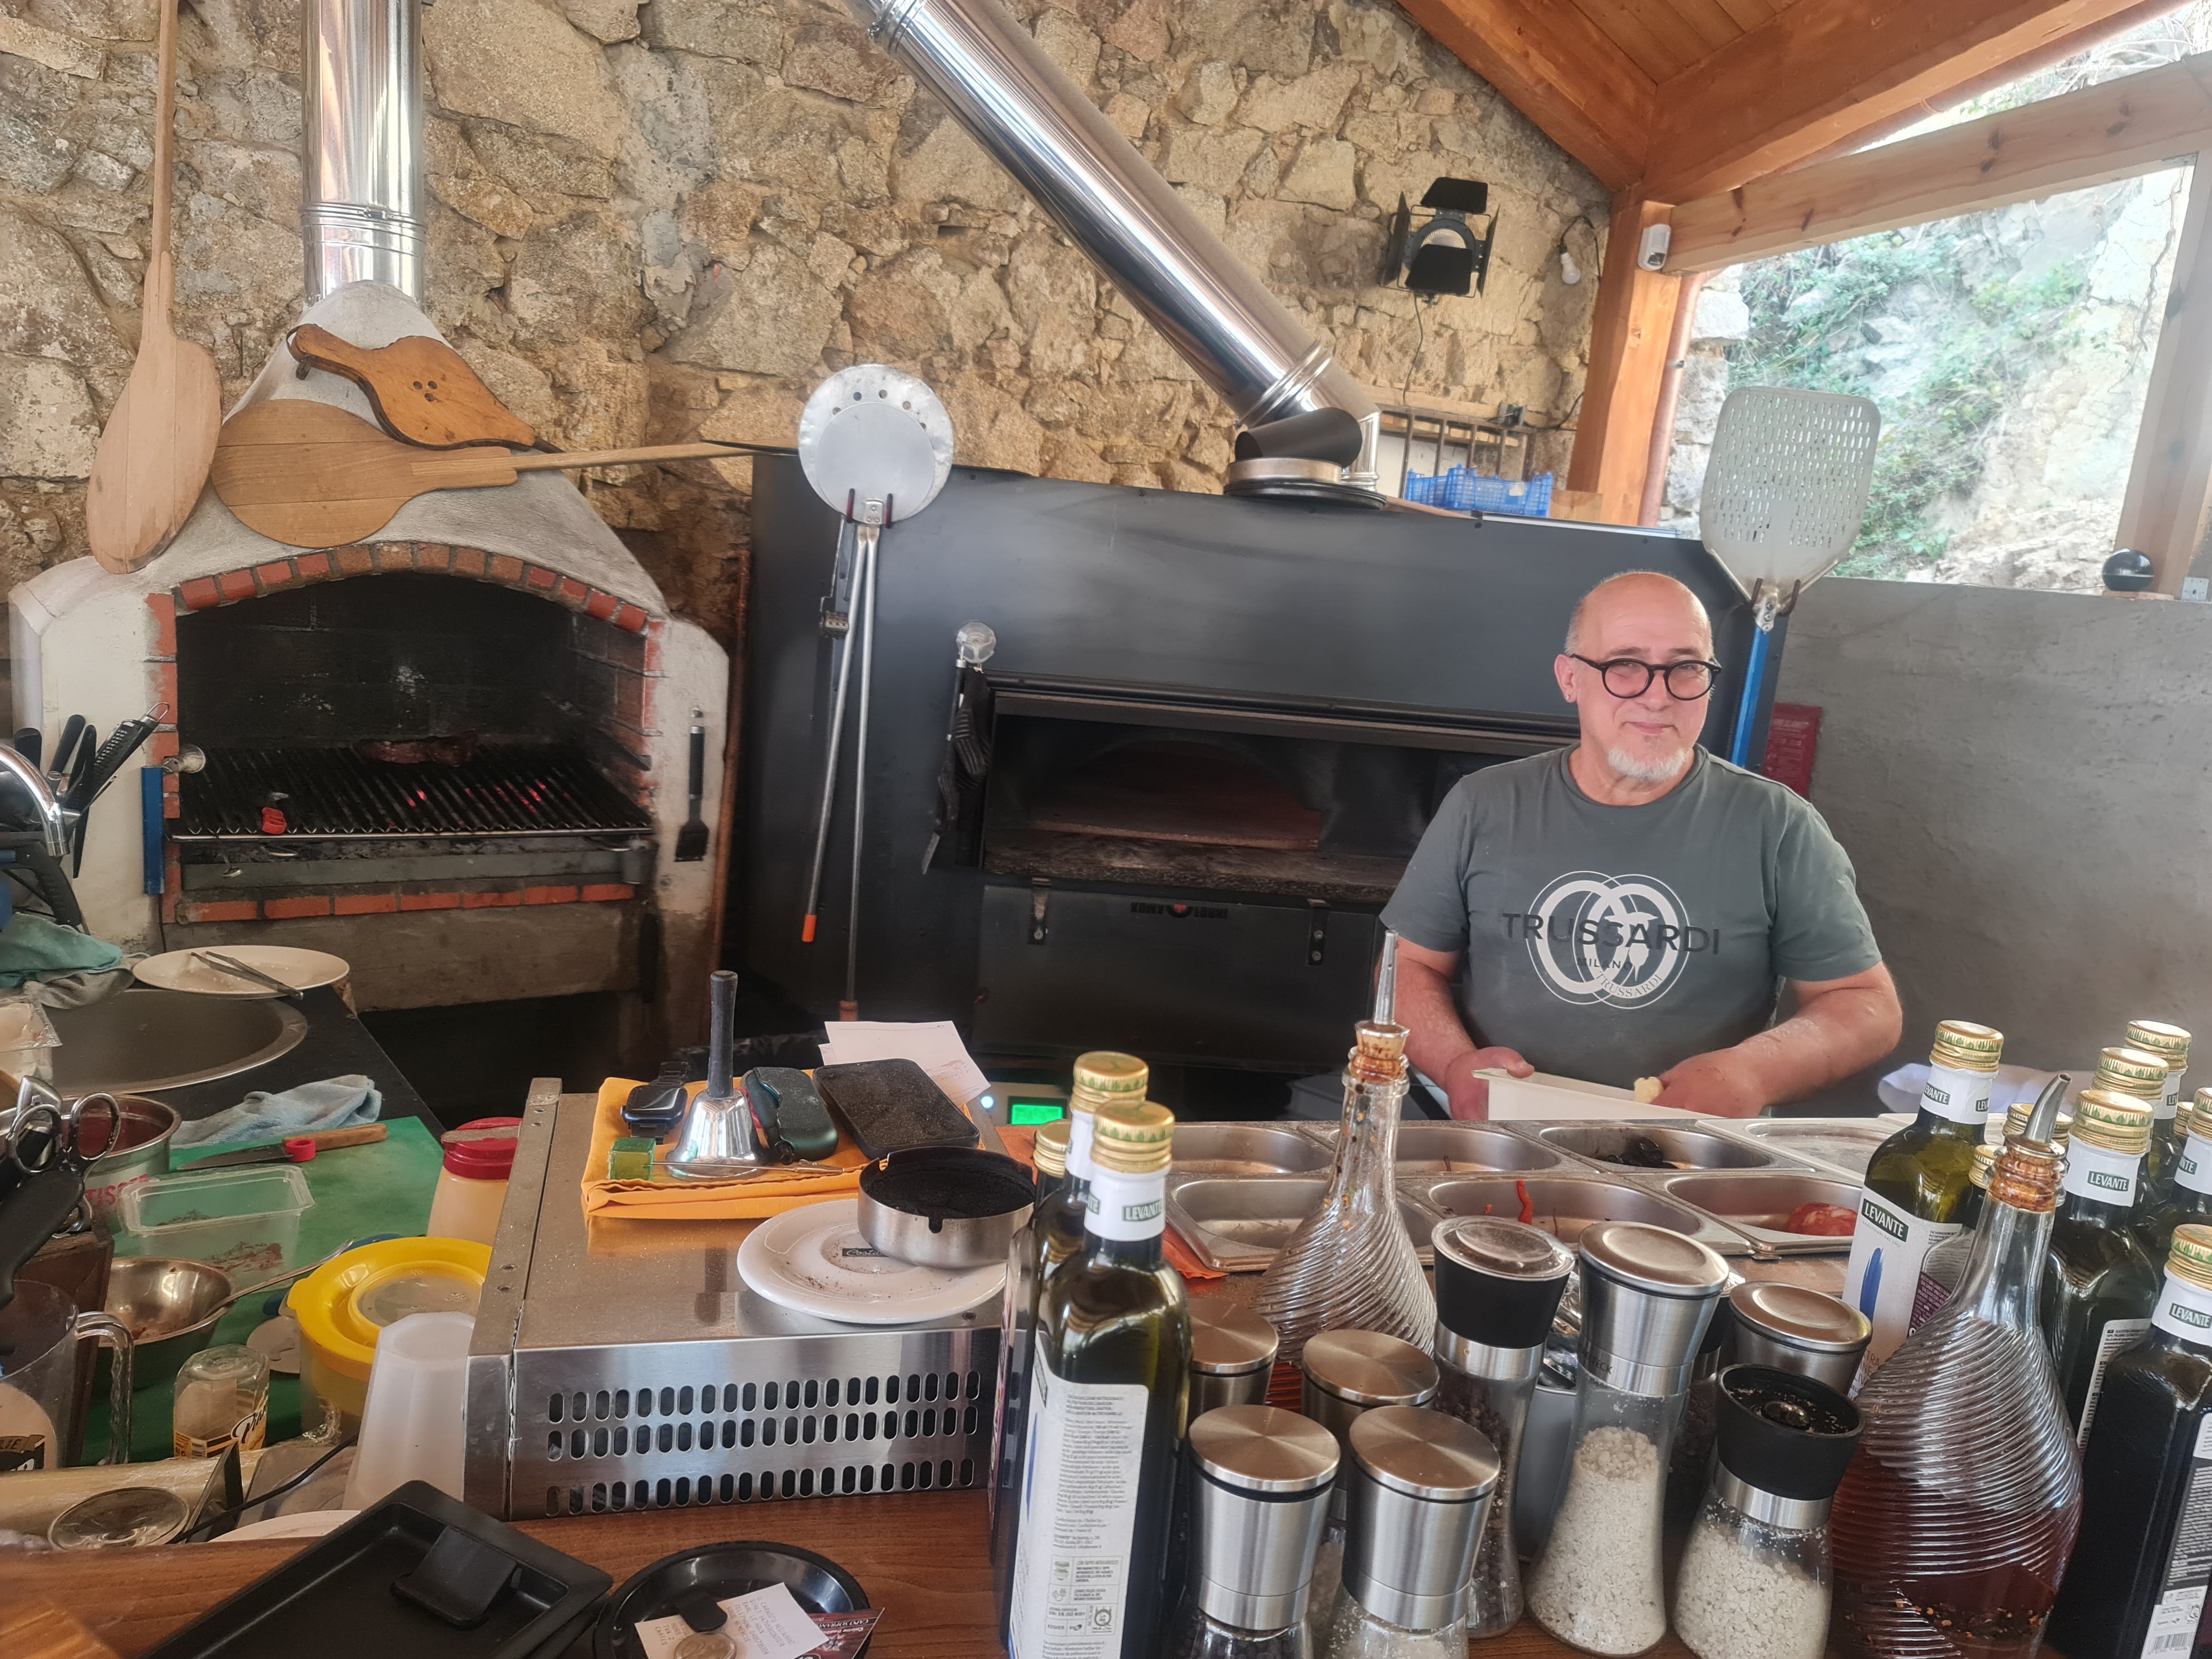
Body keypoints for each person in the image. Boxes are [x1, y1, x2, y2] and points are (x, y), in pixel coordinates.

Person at [1380, 570, 1901, 1120]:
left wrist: (1751, 1072)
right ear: (1570, 679)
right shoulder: (1482, 804)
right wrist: (1455, 1065)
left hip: (1694, 1148)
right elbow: (1409, 967)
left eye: (1686, 667)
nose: (1658, 697)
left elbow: (1864, 1004)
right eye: (1624, 665)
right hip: (1499, 1139)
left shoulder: (1779, 825)